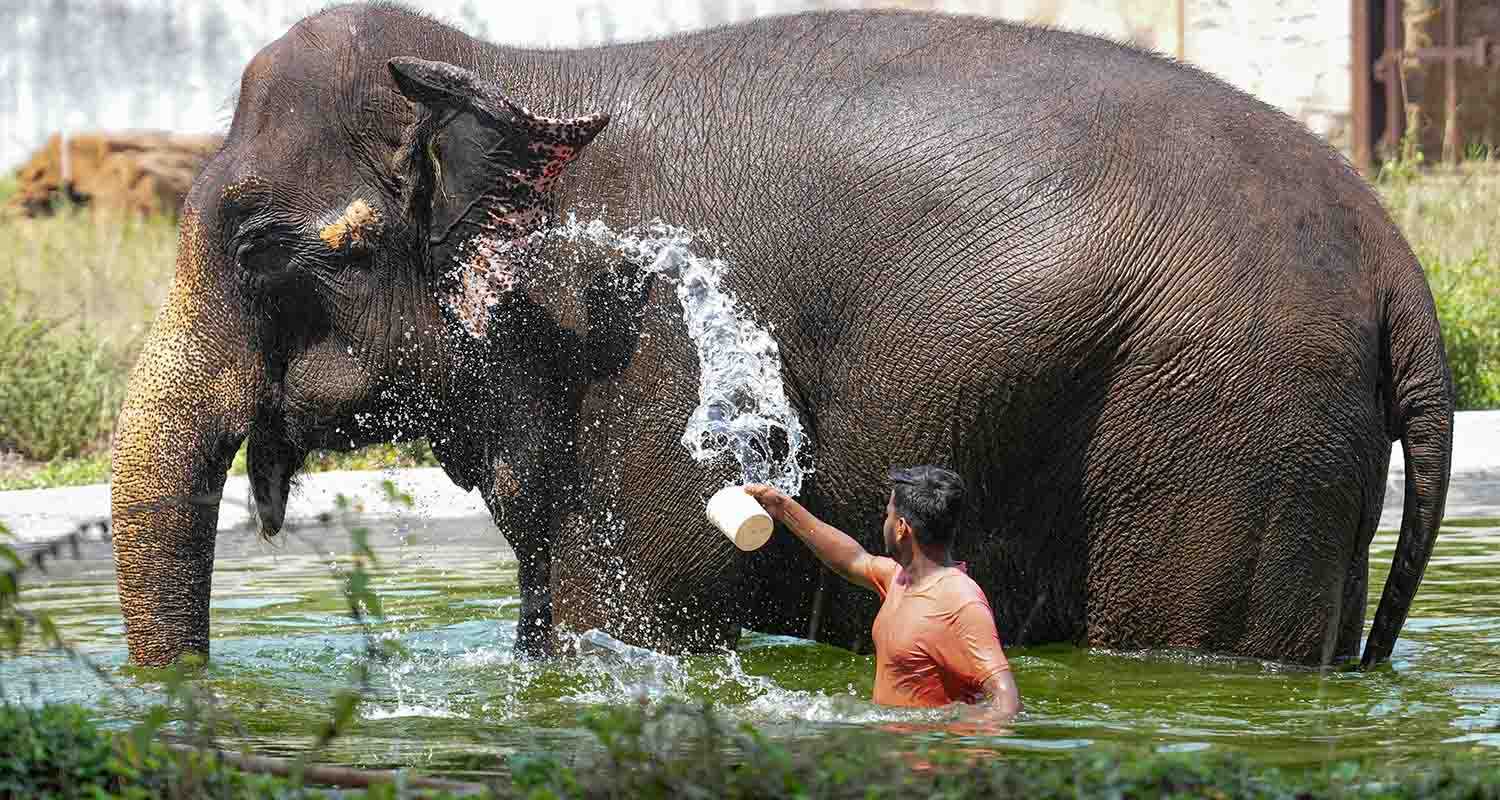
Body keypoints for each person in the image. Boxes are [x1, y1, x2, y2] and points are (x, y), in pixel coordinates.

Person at [745, 466, 1021, 716]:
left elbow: (1007, 703)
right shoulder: (898, 578)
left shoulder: (960, 601)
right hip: (895, 754)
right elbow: (852, 560)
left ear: (901, 528)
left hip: (929, 761)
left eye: (887, 514)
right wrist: (783, 508)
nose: (884, 522)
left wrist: (944, 739)